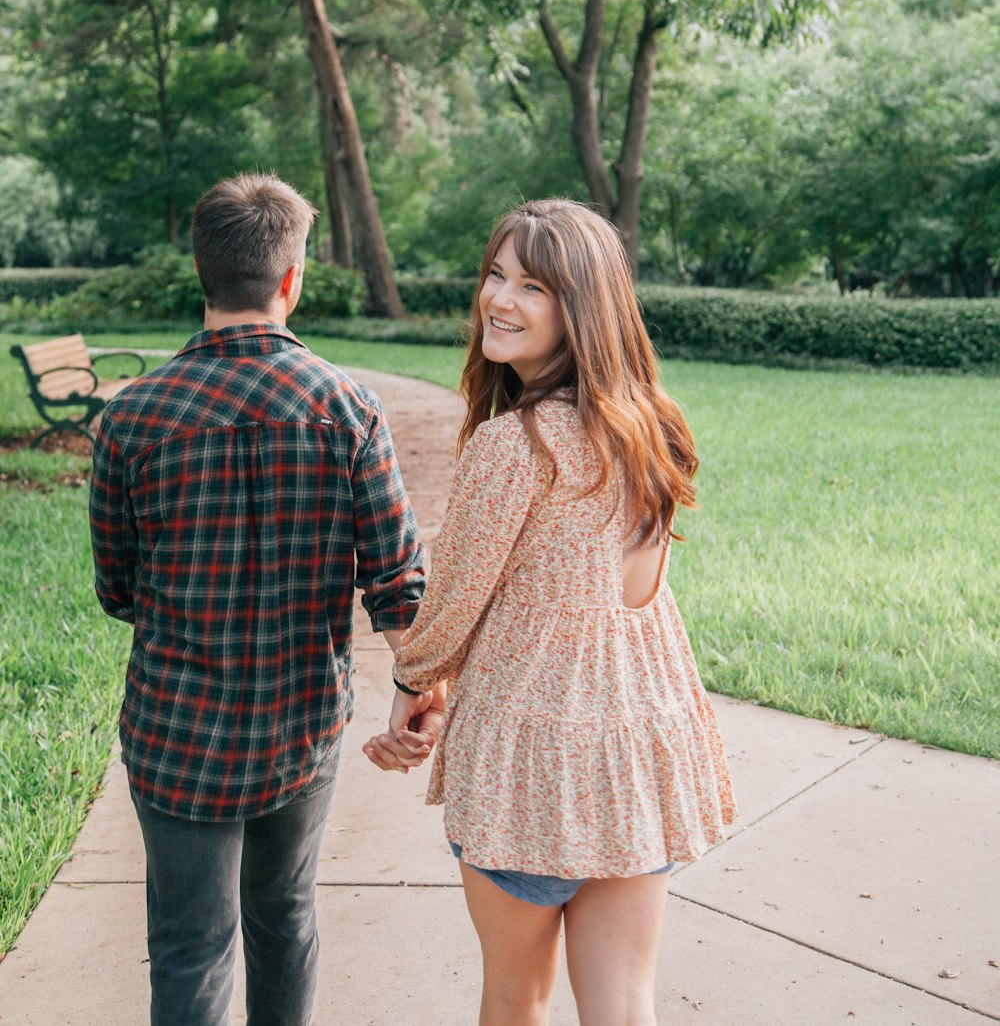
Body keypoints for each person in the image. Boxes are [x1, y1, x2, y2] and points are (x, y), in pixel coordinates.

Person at [364, 198, 737, 1026]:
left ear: (584, 307)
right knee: (623, 1008)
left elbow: (450, 607)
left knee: (515, 997)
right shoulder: (648, 430)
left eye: (533, 286)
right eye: (496, 275)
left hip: (531, 766)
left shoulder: (516, 445)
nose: (499, 299)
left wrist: (414, 683)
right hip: (634, 755)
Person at [90, 172, 440, 1026]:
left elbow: (118, 589)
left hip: (174, 733)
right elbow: (398, 580)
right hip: (298, 724)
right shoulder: (346, 406)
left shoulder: (130, 419)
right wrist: (422, 687)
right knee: (284, 921)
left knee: (188, 943)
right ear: (293, 280)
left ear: (203, 277)